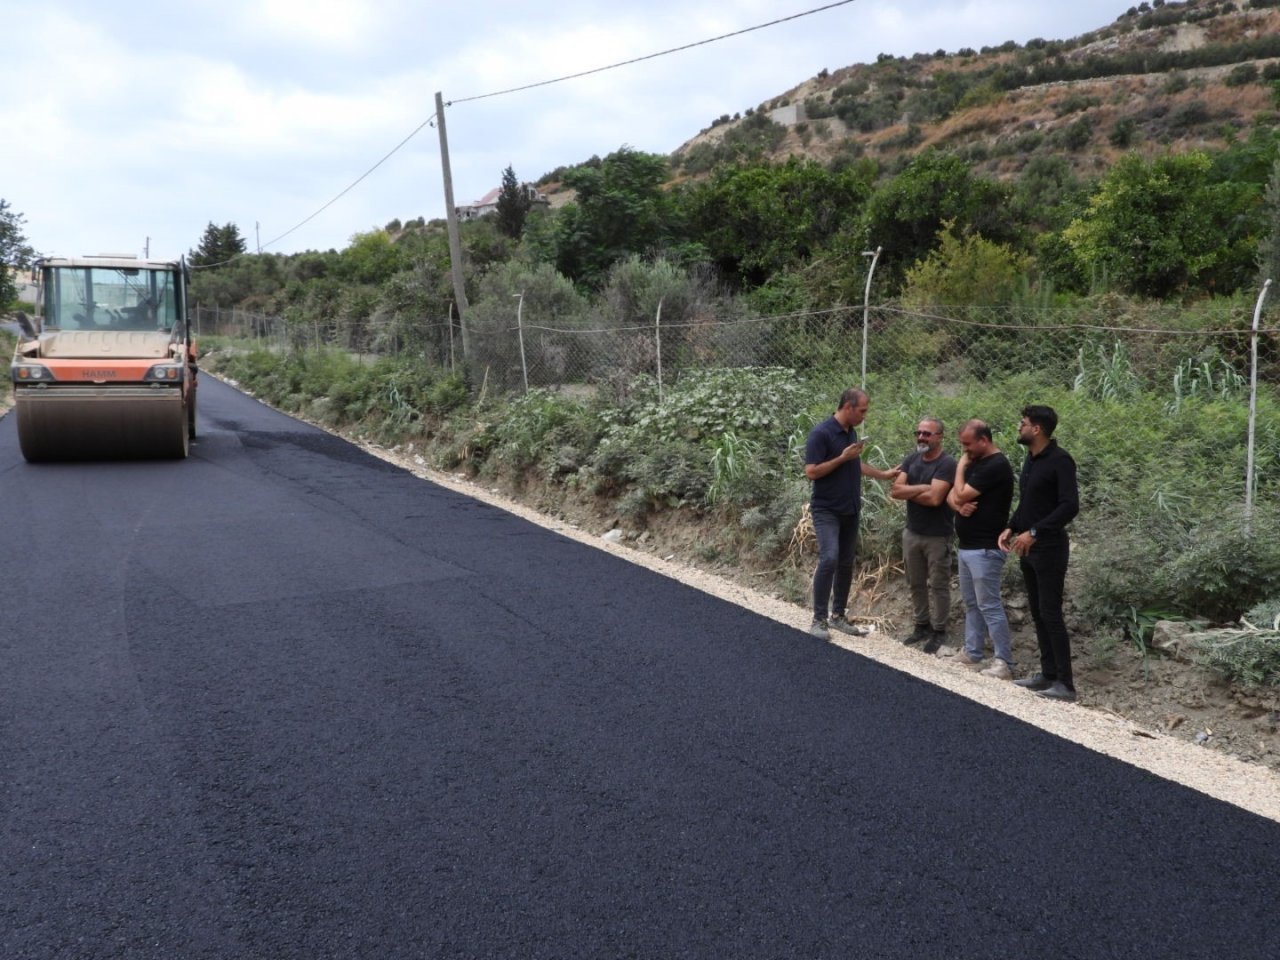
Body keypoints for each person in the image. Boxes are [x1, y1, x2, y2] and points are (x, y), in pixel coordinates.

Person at [804, 388, 900, 641]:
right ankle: (819, 620)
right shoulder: (821, 434)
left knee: (846, 562)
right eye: (862, 411)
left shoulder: (851, 432)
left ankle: (838, 617)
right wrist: (841, 457)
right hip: (827, 509)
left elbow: (854, 464)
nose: (864, 416)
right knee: (829, 558)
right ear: (848, 407)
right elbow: (812, 472)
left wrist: (884, 474)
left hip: (850, 509)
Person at [999, 405, 1080, 701]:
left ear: (1037, 429)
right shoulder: (1031, 460)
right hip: (1026, 547)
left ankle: (1066, 683)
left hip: (1049, 547)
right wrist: (1012, 526)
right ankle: (1047, 674)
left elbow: (1070, 505)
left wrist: (1035, 532)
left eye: (1023, 423)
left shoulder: (1060, 461)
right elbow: (1028, 502)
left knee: (1051, 612)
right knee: (1037, 611)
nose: (1018, 427)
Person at [947, 420, 1016, 679]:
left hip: (986, 548)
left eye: (967, 444)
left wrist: (961, 467)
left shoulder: (995, 465)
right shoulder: (978, 462)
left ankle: (1004, 661)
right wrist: (958, 502)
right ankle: (973, 652)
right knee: (972, 603)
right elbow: (953, 498)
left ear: (983, 441)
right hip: (968, 546)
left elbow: (961, 494)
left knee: (989, 605)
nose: (965, 450)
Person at [890, 417, 956, 654]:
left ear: (940, 436)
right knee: (915, 582)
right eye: (918, 432)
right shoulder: (911, 459)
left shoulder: (947, 463)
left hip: (938, 536)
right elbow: (895, 491)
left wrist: (912, 491)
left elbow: (936, 499)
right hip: (912, 532)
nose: (921, 437)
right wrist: (923, 487)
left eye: (927, 434)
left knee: (938, 584)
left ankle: (939, 630)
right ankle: (921, 625)